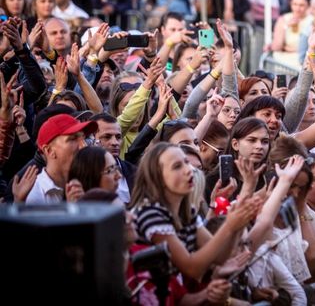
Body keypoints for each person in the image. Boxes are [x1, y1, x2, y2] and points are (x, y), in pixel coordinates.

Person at [129, 142, 259, 282]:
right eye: (177, 166)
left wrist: (237, 224)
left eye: (186, 162)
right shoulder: (150, 214)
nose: (188, 170)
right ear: (157, 177)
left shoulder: (187, 212)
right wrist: (229, 226)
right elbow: (191, 269)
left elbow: (219, 257)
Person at [24, 113, 97, 204]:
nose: (83, 146)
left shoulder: (90, 182)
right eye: (73, 139)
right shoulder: (34, 196)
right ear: (49, 150)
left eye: (83, 138)